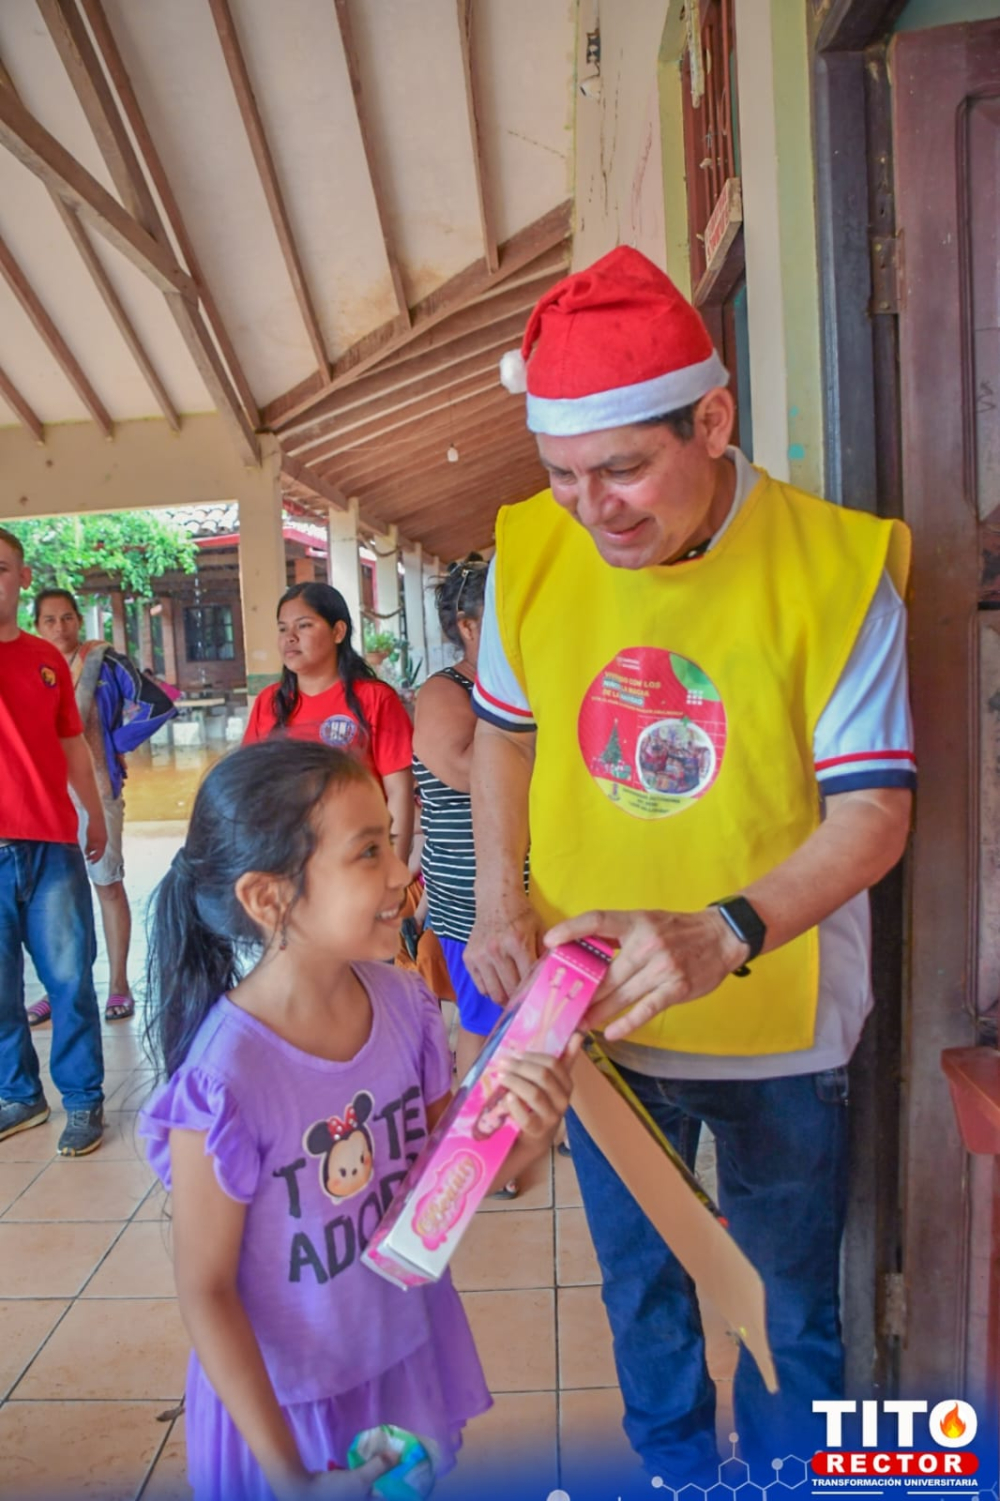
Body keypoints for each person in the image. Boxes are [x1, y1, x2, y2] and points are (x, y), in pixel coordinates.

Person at [465, 247, 915, 1478]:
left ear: (712, 420)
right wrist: (497, 900)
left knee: (787, 1311)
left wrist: (722, 929)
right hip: (596, 1026)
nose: (592, 506)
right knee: (642, 1302)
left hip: (778, 1027)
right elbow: (504, 739)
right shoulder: (531, 550)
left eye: (623, 467)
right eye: (562, 475)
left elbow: (873, 814)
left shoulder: (833, 570)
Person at [138, 738, 577, 1501]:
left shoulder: (407, 1007)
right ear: (269, 898)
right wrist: (294, 1478)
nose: (403, 872)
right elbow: (205, 1289)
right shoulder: (224, 1082)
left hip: (397, 1362)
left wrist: (528, 1134)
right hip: (287, 1410)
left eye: (392, 842)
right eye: (368, 852)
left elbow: (444, 1181)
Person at [0, 529, 108, 1156]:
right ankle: (18, 1095)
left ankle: (84, 1100)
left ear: (20, 576)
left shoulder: (45, 663)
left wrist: (92, 813)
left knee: (69, 981)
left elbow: (72, 742)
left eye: (2, 568)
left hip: (50, 845)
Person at [33, 588, 177, 1022]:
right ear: (37, 625)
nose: (60, 628)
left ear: (79, 621)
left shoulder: (104, 662)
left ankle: (118, 984)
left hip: (98, 788)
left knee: (107, 884)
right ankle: (55, 989)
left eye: (67, 618)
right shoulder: (32, 666)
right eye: (49, 620)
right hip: (46, 795)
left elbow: (159, 704)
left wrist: (114, 742)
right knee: (53, 897)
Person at [244, 583, 414, 861]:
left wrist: (393, 865)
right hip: (286, 858)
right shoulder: (269, 703)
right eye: (283, 628)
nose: (290, 638)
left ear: (338, 632)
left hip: (357, 856)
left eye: (304, 626)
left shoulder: (374, 698)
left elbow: (399, 791)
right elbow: (250, 787)